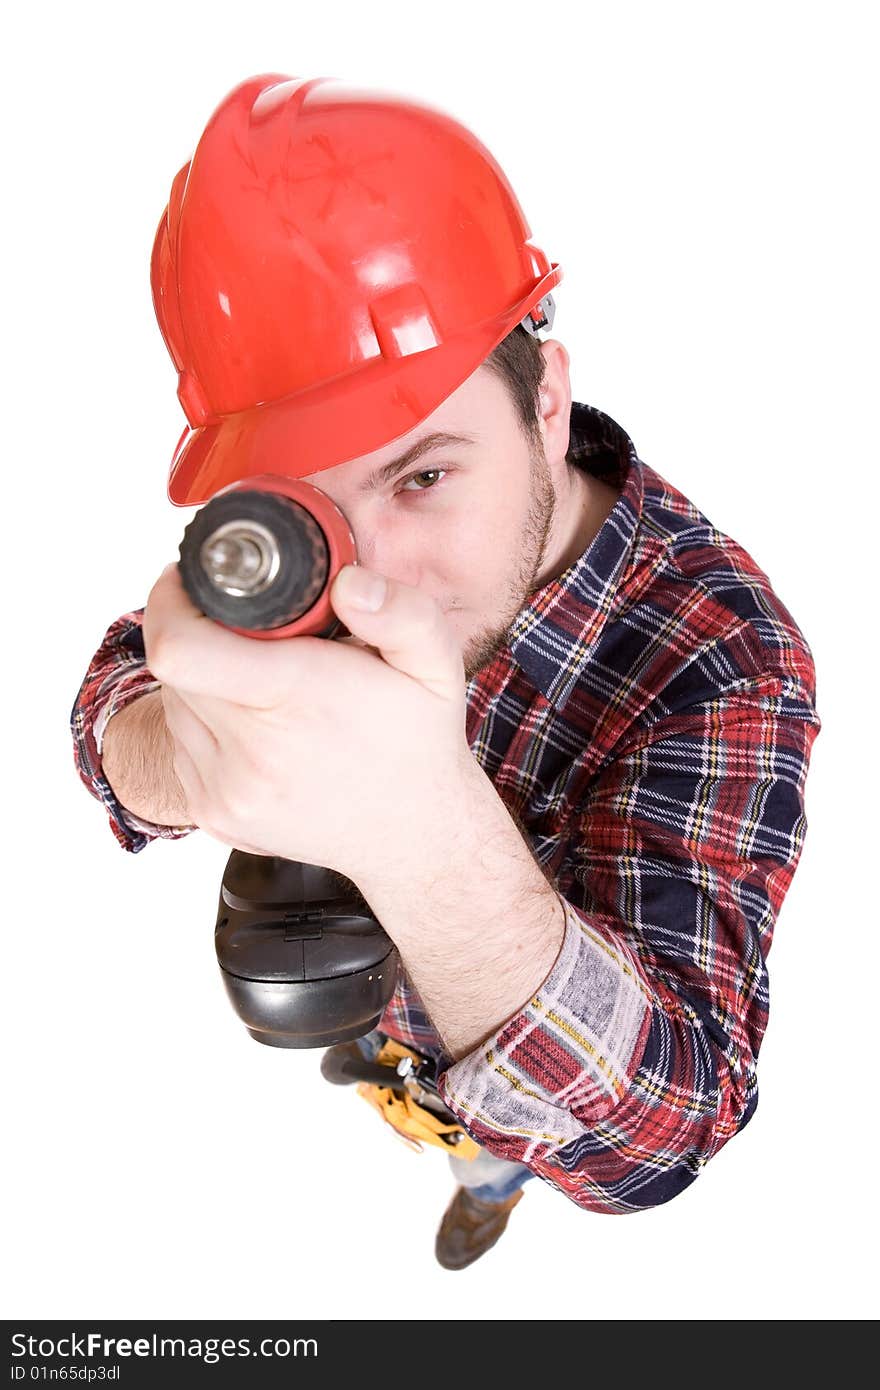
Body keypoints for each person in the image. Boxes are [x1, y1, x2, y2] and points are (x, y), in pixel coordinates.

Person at [69, 74, 821, 1272]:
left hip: (528, 1088)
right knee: (375, 1062)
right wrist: (172, 753)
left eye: (424, 476)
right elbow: (114, 693)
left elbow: (666, 1126)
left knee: (499, 1136)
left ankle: (480, 1173)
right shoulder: (298, 555)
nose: (372, 574)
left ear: (549, 404)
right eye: (309, 500)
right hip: (369, 988)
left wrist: (424, 838)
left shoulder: (722, 653)